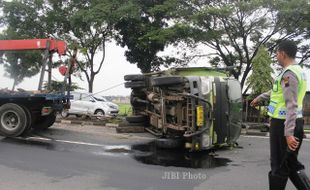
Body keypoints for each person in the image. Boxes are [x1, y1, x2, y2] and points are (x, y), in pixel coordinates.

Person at [251, 40, 310, 190]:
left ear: (283, 54)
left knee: (278, 166)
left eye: (277, 53)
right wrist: (260, 98)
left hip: (283, 123)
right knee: (290, 163)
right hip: (294, 121)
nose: (276, 56)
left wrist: (288, 133)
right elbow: (278, 92)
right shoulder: (298, 71)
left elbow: (291, 103)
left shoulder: (288, 74)